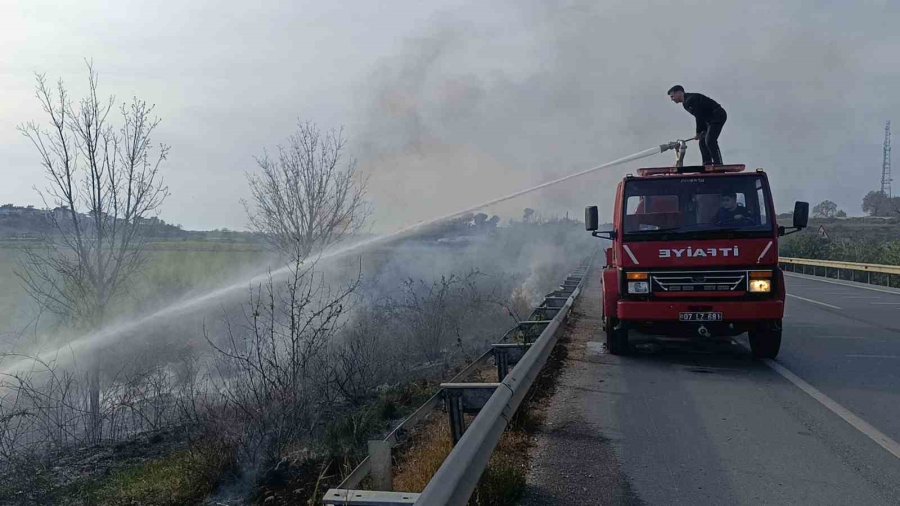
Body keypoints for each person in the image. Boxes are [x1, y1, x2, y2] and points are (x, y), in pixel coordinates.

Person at [668, 85, 727, 166]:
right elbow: (701, 116)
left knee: (710, 140)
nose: (672, 99)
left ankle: (718, 164)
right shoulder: (685, 104)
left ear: (679, 93)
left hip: (717, 115)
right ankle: (707, 163)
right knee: (702, 142)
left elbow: (699, 116)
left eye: (672, 96)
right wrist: (702, 132)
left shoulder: (691, 99)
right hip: (709, 120)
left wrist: (698, 132)